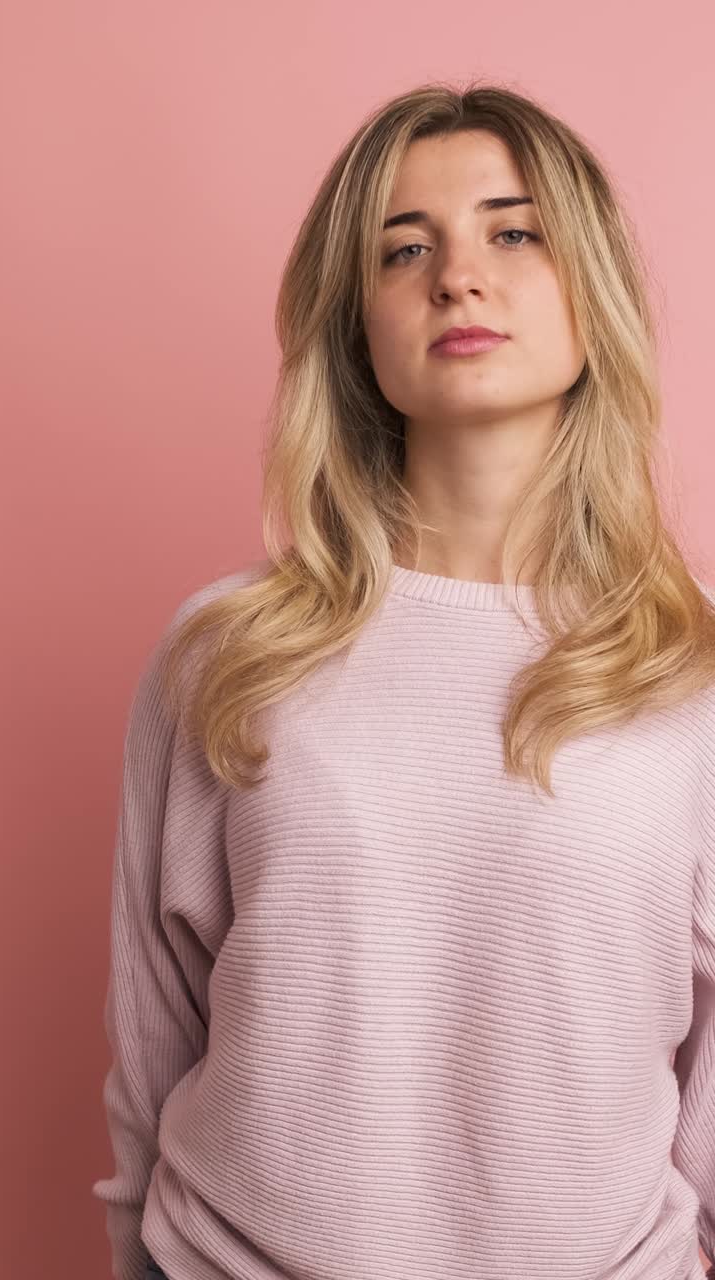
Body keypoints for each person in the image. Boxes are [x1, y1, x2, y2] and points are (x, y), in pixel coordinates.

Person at [92, 79, 715, 1280]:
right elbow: (152, 1031)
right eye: (404, 248)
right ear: (356, 327)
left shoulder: (692, 668)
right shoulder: (226, 651)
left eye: (513, 232)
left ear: (592, 291)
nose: (458, 278)